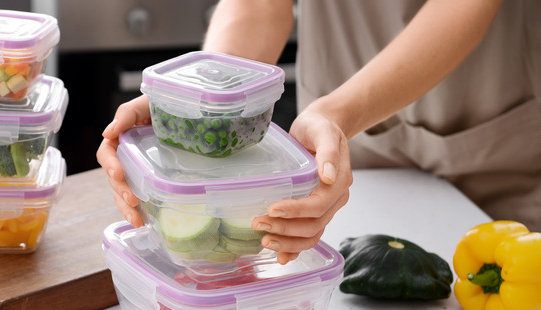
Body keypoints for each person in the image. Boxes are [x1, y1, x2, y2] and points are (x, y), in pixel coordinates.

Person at [97, 0, 541, 264]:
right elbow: (259, 5)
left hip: (489, 142)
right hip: (349, 149)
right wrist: (204, 101)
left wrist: (340, 113)